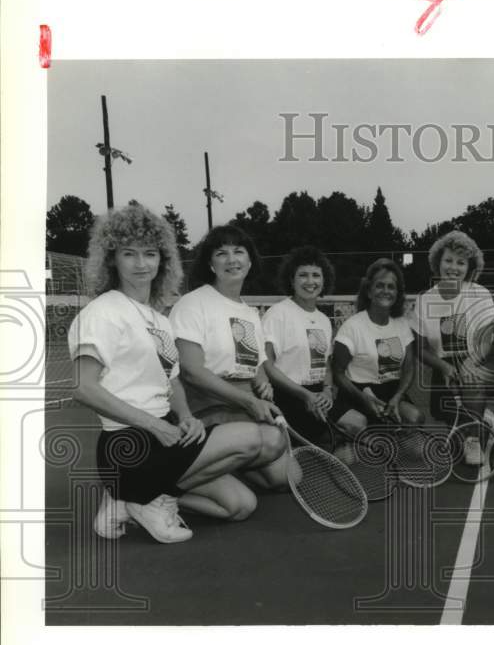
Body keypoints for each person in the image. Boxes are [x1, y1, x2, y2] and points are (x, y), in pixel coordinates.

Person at [68, 203, 265, 544]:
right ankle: (144, 497)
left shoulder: (158, 318)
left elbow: (170, 378)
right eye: (130, 254)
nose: (142, 264)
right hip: (127, 444)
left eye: (150, 254)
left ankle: (132, 501)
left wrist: (186, 416)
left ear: (163, 259)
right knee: (252, 437)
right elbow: (83, 388)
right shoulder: (103, 312)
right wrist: (154, 424)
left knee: (241, 505)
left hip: (165, 433)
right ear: (112, 259)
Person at [169, 224, 288, 492]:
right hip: (206, 405)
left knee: (287, 477)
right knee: (272, 440)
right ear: (211, 265)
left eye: (239, 251)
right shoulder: (193, 303)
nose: (232, 259)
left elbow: (255, 361)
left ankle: (221, 468)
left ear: (249, 262)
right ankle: (169, 481)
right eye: (222, 253)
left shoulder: (249, 312)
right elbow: (190, 370)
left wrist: (262, 380)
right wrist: (248, 400)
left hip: (242, 404)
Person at [409, 231, 494, 464]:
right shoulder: (425, 300)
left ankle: (475, 440)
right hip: (445, 365)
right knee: (445, 413)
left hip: (479, 358)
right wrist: (444, 368)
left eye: (461, 262)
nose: (453, 267)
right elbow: (419, 349)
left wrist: (471, 363)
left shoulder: (480, 294)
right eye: (448, 260)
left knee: (472, 386)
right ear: (438, 262)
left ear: (469, 267)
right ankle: (484, 420)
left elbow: (488, 340)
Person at [329, 258, 424, 439]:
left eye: (391, 287)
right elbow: (338, 372)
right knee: (355, 436)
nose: (385, 291)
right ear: (369, 291)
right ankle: (352, 432)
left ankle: (384, 430)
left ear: (397, 292)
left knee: (415, 418)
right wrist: (363, 398)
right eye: (380, 286)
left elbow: (409, 368)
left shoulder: (402, 325)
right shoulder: (352, 326)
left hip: (390, 393)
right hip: (356, 393)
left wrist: (398, 397)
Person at [262, 246, 336, 445]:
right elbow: (266, 365)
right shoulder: (278, 314)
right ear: (291, 280)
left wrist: (327, 390)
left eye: (316, 275)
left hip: (317, 397)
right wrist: (304, 395)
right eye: (303, 275)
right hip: (286, 398)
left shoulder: (323, 320)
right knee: (295, 471)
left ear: (324, 280)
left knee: (349, 437)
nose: (310, 282)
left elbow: (326, 364)